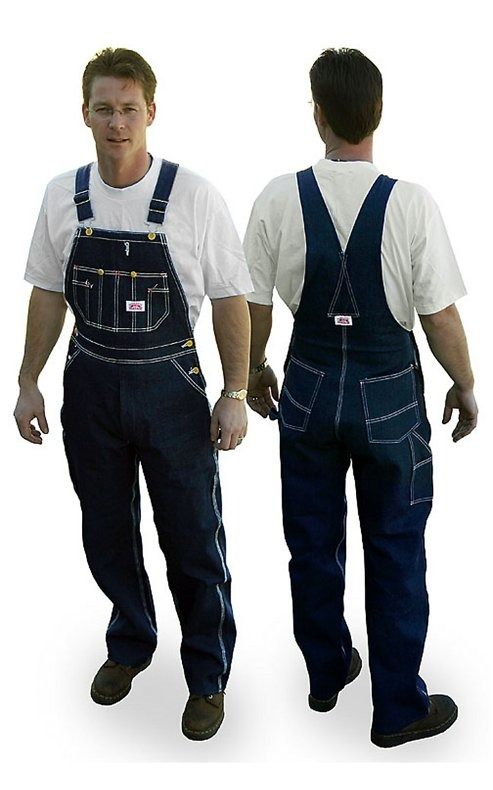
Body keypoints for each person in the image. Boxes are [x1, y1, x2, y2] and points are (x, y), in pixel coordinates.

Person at [14, 47, 252, 741]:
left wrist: (235, 391)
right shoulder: (62, 195)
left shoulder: (193, 195)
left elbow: (230, 298)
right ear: (84, 114)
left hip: (171, 390)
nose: (116, 123)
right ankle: (130, 643)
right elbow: (48, 292)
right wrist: (27, 380)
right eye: (103, 110)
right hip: (90, 387)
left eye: (128, 109)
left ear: (151, 111)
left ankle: (206, 675)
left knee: (193, 539)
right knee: (107, 530)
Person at [243, 48, 477, 748]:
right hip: (388, 399)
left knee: (311, 542)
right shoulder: (411, 204)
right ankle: (398, 709)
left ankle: (325, 673)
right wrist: (465, 383)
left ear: (317, 114)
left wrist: (252, 369)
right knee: (395, 548)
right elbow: (438, 316)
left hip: (307, 391)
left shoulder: (277, 197)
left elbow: (253, 305)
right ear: (378, 113)